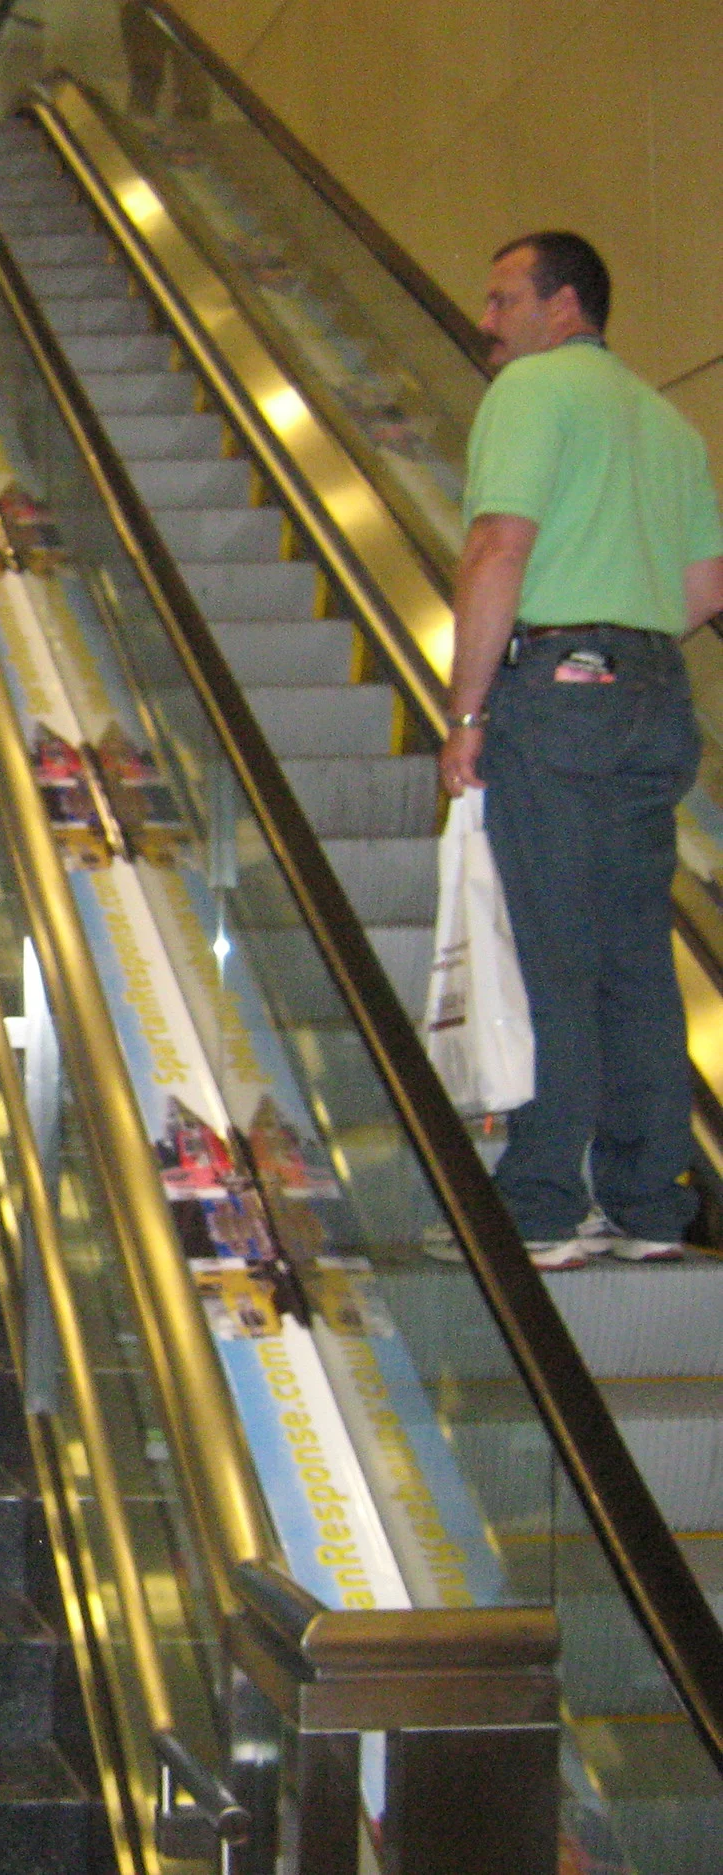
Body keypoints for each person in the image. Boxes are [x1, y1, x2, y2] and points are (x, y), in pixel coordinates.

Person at [438, 231, 723, 1270]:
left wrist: (467, 712)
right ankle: (650, 1201)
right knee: (633, 953)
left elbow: (495, 546)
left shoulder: (530, 391)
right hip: (654, 691)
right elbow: (705, 586)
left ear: (564, 306)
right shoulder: (665, 421)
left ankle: (545, 1203)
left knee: (551, 940)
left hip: (559, 690)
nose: (487, 320)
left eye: (502, 296)